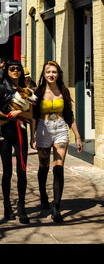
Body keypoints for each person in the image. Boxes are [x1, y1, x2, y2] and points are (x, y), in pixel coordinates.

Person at [30, 60, 83, 222]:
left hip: (60, 129)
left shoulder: (63, 91)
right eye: (48, 72)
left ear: (58, 73)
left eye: (54, 72)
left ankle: (56, 207)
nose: (51, 75)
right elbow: (33, 117)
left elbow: (70, 115)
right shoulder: (37, 92)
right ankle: (44, 196)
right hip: (43, 130)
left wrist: (78, 136)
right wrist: (32, 136)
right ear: (44, 74)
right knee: (43, 166)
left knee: (58, 168)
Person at [0, 59, 33, 224]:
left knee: (22, 171)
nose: (15, 71)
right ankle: (7, 206)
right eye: (12, 69)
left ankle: (22, 207)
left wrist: (20, 112)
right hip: (5, 132)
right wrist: (8, 116)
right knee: (7, 172)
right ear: (7, 70)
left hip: (21, 133)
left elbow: (30, 115)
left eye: (18, 69)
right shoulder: (0, 89)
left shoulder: (25, 91)